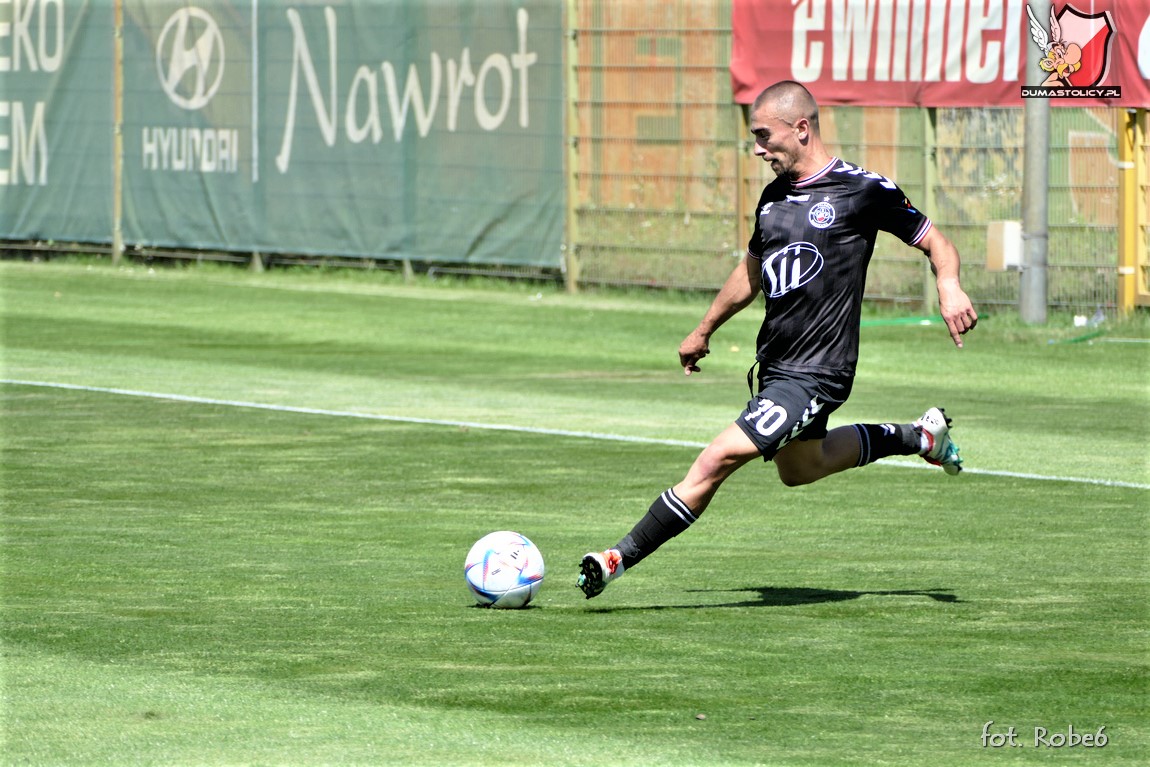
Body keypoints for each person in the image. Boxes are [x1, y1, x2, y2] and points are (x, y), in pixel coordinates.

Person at [577, 81, 978, 599]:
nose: (758, 148)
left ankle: (616, 558)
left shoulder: (863, 190)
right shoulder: (773, 198)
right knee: (801, 469)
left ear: (802, 129)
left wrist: (949, 286)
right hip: (777, 368)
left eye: (765, 136)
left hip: (819, 371)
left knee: (716, 458)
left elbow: (935, 242)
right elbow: (750, 274)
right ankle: (920, 437)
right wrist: (704, 330)